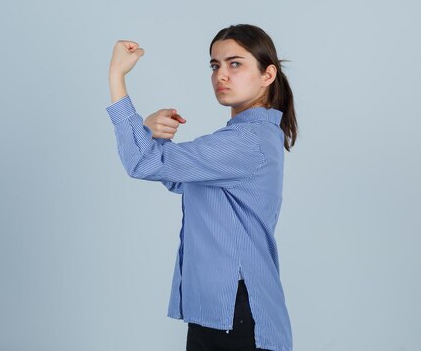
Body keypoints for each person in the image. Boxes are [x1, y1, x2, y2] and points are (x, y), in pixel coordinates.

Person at [105, 24, 298, 351]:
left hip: (236, 311)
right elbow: (179, 178)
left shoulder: (247, 141)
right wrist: (149, 132)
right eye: (215, 65)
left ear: (267, 75)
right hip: (221, 311)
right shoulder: (246, 138)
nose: (221, 74)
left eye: (235, 64)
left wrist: (116, 77)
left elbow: (143, 163)